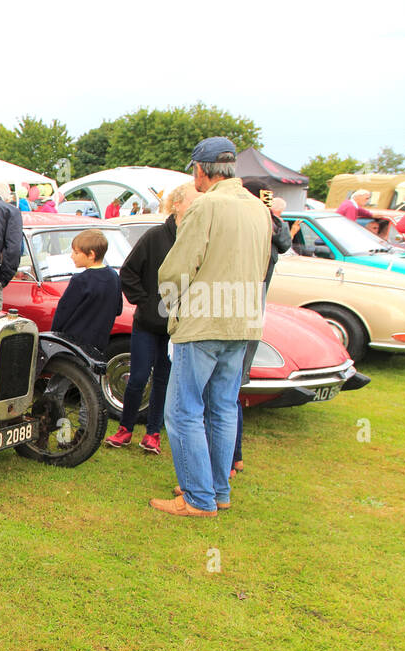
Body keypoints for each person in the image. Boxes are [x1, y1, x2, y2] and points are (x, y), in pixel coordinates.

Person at [151, 136, 271, 517]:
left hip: (204, 321)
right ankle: (216, 490)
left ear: (200, 169)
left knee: (183, 411)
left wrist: (171, 305)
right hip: (244, 320)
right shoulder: (258, 208)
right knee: (222, 409)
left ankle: (199, 498)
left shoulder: (205, 205)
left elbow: (178, 267)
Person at [106, 182, 198, 455]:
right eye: (193, 202)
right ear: (178, 204)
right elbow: (128, 272)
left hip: (178, 326)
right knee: (137, 378)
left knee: (164, 379)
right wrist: (145, 302)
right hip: (147, 323)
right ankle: (125, 429)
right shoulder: (154, 237)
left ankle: (154, 433)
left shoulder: (197, 240)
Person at [228, 192, 293, 479]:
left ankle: (229, 459)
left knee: (223, 395)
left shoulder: (253, 239)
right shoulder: (272, 233)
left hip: (237, 320)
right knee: (230, 393)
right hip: (251, 318)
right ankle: (234, 457)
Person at [49, 229, 122, 360]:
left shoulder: (80, 281)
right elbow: (118, 309)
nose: (72, 256)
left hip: (73, 344)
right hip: (99, 343)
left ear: (91, 255)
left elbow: (63, 312)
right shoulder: (114, 276)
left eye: (76, 252)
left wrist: (54, 336)